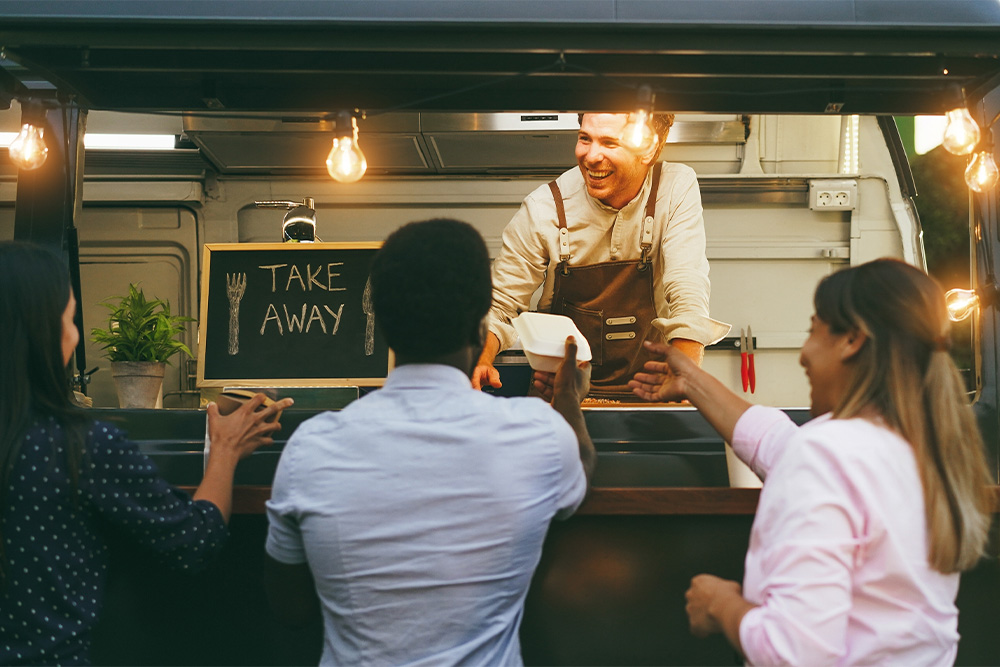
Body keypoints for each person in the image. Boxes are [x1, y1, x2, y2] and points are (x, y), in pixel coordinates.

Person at [263, 218, 596, 665]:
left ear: (381, 324)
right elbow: (582, 460)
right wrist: (568, 396)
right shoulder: (535, 434)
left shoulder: (312, 447)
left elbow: (291, 609)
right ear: (482, 329)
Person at [629, 258, 993, 665]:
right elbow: (779, 445)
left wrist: (721, 605)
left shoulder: (828, 453)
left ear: (852, 340)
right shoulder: (919, 449)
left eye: (814, 329)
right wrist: (691, 382)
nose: (803, 354)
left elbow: (795, 653)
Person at [0, 240, 293, 665]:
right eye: (69, 318)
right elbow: (194, 541)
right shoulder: (83, 446)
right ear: (47, 335)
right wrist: (226, 450)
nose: (75, 332)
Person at [473, 111, 729, 399]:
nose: (591, 156)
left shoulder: (673, 188)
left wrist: (684, 375)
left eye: (609, 142)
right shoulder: (544, 207)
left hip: (652, 391)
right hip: (561, 394)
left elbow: (687, 286)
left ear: (650, 149)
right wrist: (481, 358)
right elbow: (502, 304)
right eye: (585, 139)